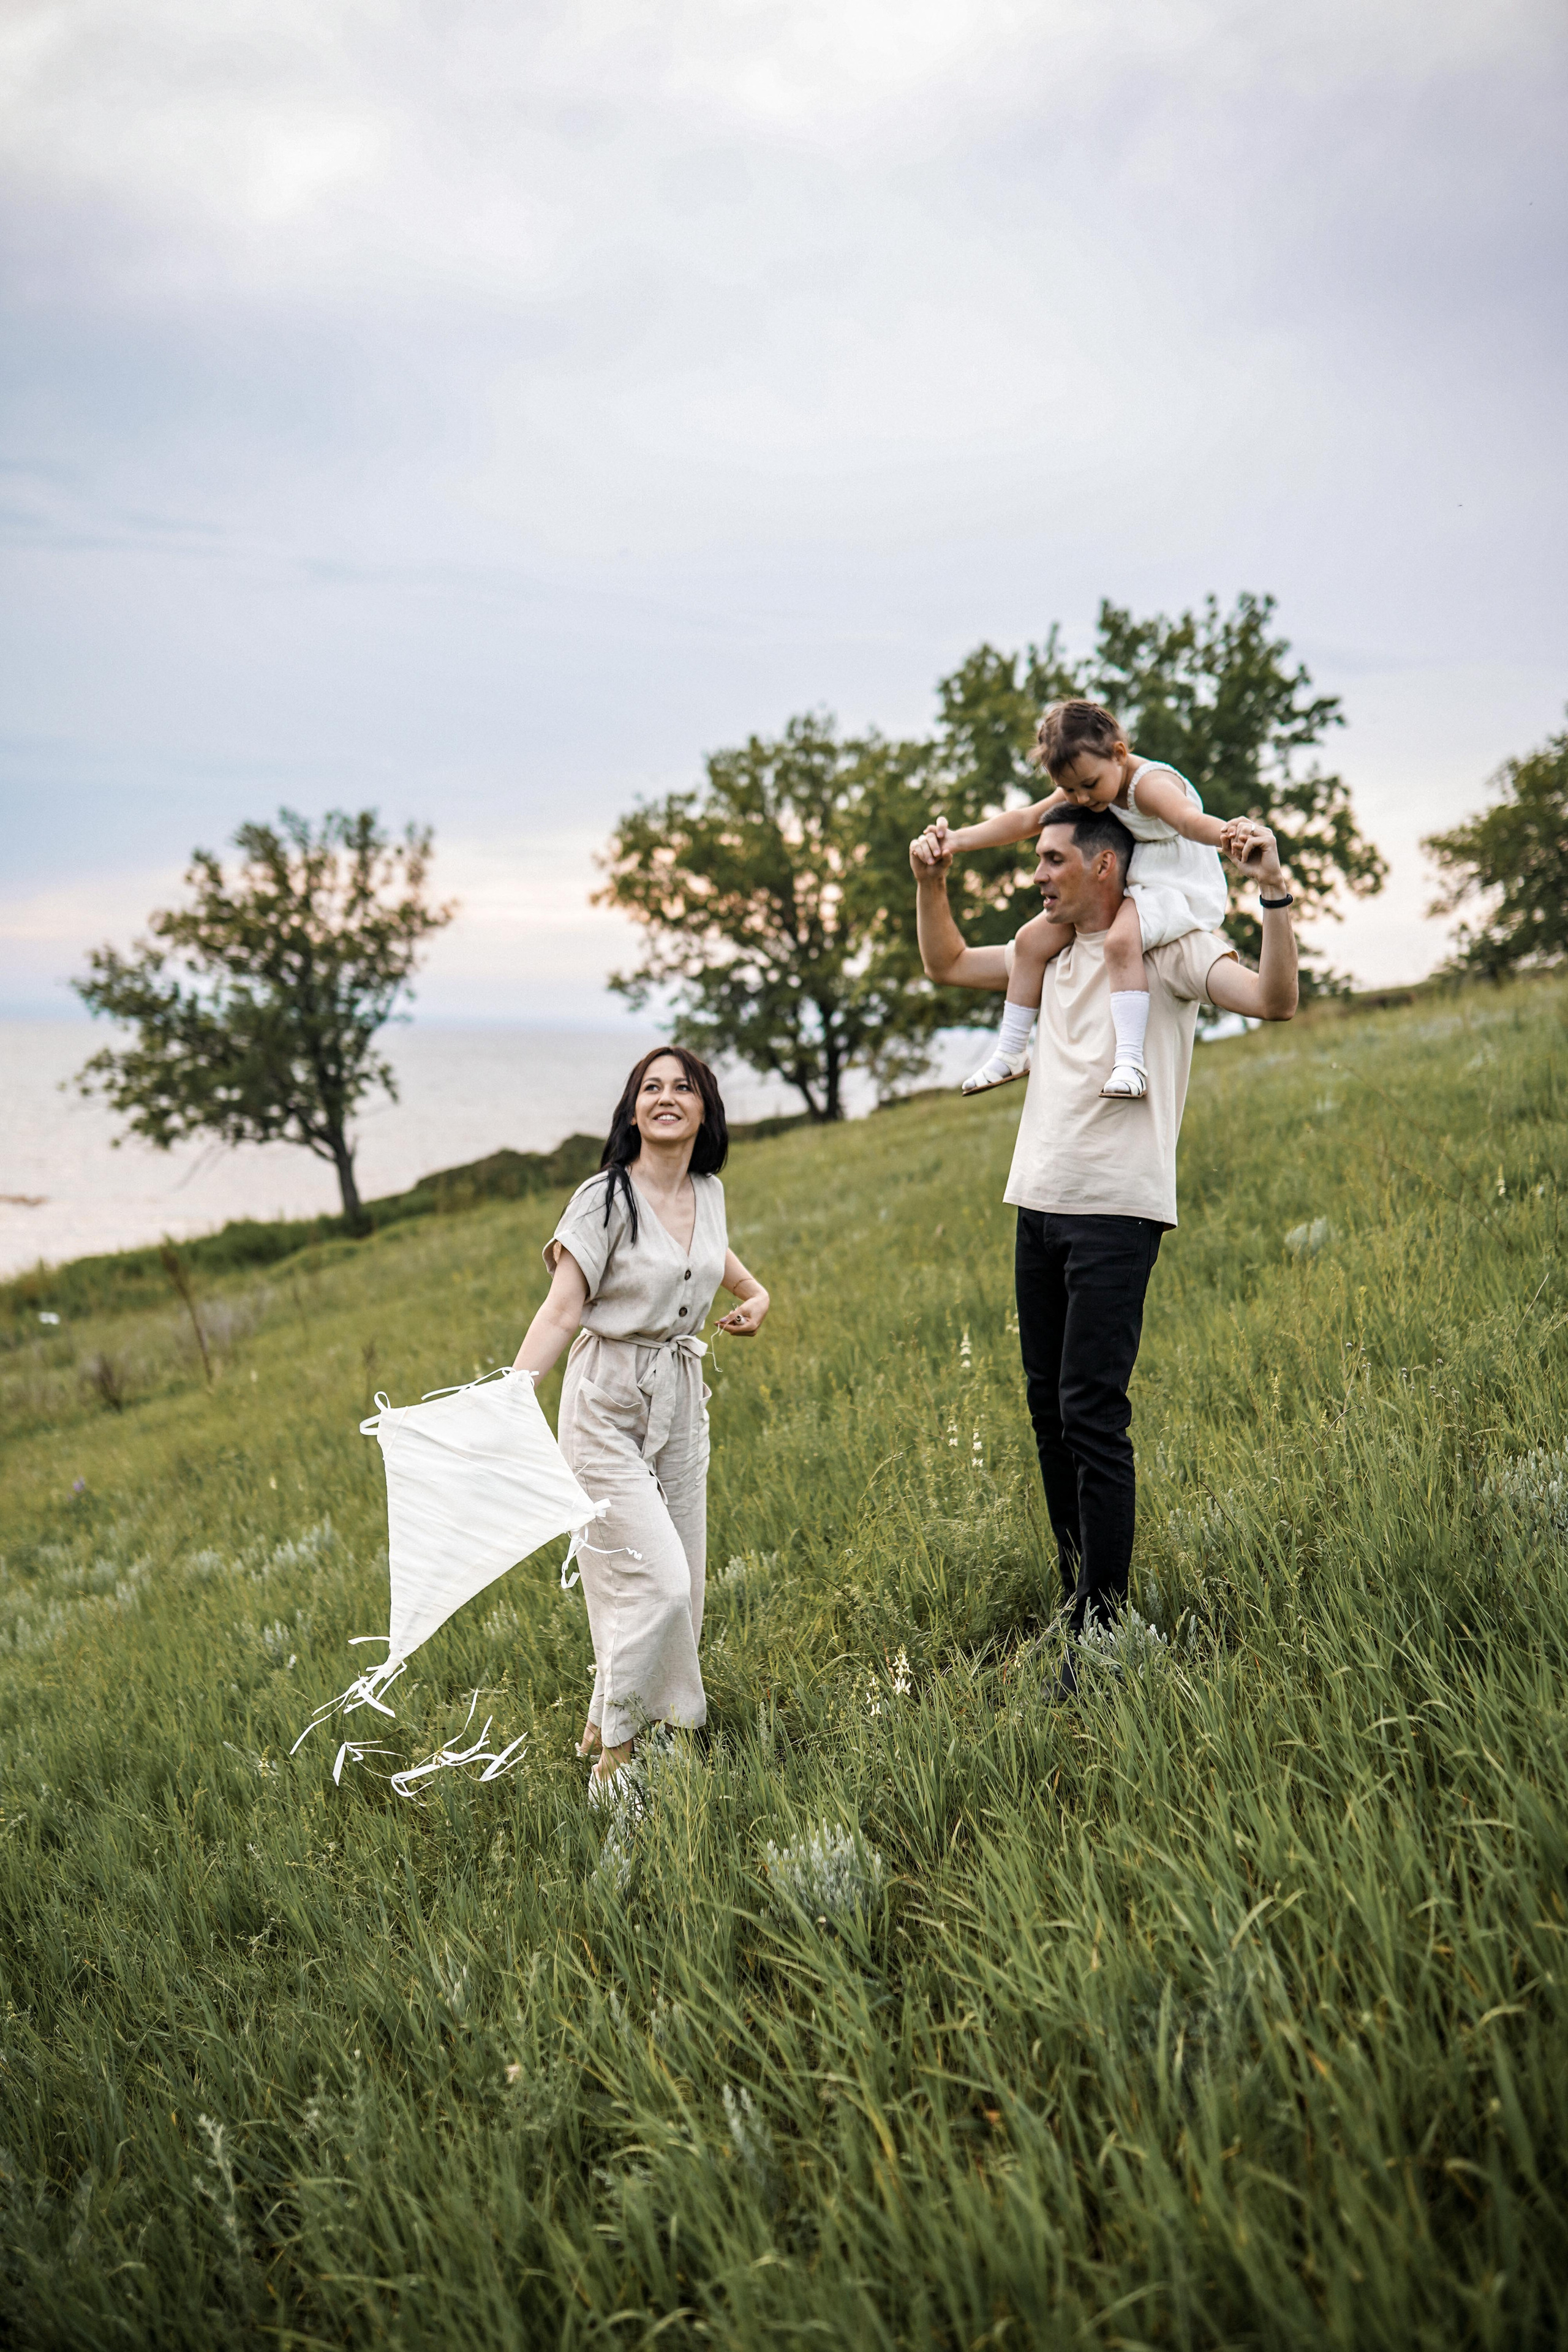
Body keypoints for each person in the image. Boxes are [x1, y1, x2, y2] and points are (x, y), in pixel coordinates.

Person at [910, 798, 1297, 1695]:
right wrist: (932, 882)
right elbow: (944, 961)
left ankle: (1105, 1631)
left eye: (1050, 861)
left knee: (1092, 1412)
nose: (1036, 874)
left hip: (1117, 1214)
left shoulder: (1170, 948)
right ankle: (1079, 1598)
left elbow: (1275, 1002)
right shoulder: (1048, 951)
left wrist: (1272, 893)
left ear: (1105, 866)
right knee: (1049, 1413)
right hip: (1037, 1204)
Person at [512, 1046, 770, 1789]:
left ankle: (613, 1716)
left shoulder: (707, 1192)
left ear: (702, 1110)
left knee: (682, 1580)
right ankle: (616, 1768)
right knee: (653, 1583)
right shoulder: (603, 1199)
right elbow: (563, 1308)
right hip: (604, 1402)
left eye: (681, 1088)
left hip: (681, 1398)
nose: (665, 1097)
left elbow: (713, 1261)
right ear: (632, 1111)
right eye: (650, 1087)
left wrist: (757, 1297)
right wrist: (514, 1391)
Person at [924, 698, 1272, 1099]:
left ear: (1119, 754)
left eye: (1088, 785)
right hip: (1132, 876)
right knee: (1029, 942)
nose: (1082, 799)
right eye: (1069, 790)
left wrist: (1230, 836)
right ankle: (1012, 1051)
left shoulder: (1150, 786)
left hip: (1175, 884)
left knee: (1120, 942)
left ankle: (1129, 1062)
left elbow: (1189, 821)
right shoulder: (1088, 781)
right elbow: (1023, 820)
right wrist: (957, 840)